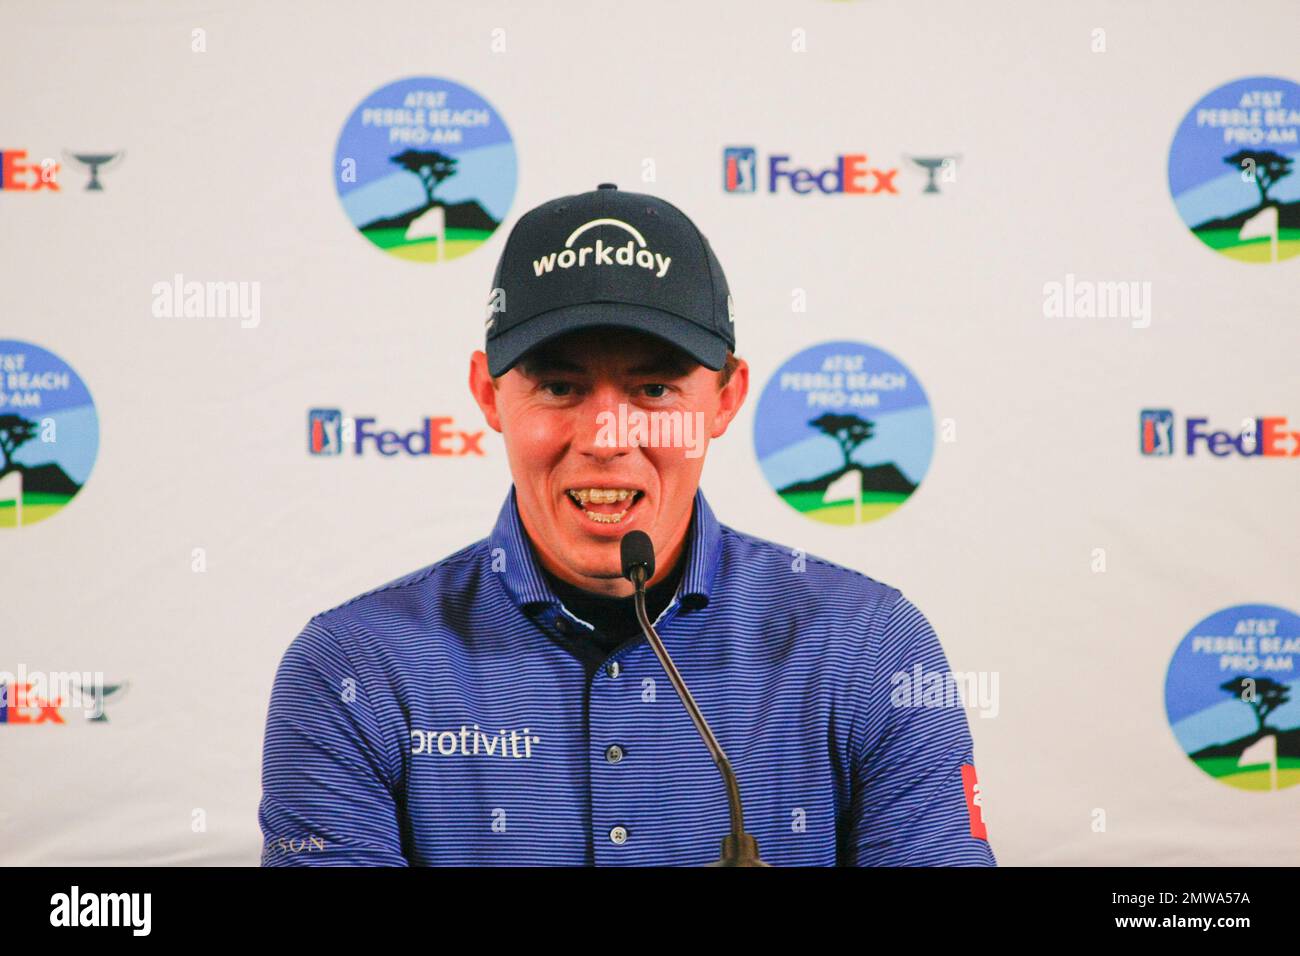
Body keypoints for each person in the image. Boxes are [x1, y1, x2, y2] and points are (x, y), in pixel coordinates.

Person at [258, 183, 996, 866]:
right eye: (558, 385)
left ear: (726, 398)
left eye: (653, 388)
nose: (607, 436)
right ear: (488, 394)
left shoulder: (868, 645)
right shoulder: (352, 669)